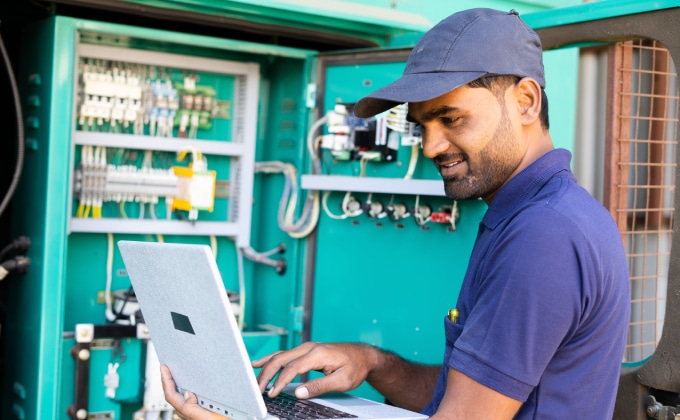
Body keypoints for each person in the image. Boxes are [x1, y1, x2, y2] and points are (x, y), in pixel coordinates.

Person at [161, 7, 631, 419]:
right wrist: (372, 362)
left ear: (525, 101)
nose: (431, 145)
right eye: (422, 125)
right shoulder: (536, 215)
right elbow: (465, 397)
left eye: (451, 118)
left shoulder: (543, 234)